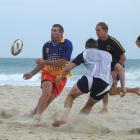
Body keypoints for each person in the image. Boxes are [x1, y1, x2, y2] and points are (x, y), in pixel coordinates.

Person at [52, 38, 113, 127]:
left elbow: (68, 68)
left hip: (91, 78)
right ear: (97, 47)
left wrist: (61, 77)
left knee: (71, 96)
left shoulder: (86, 52)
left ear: (86, 46)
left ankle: (63, 118)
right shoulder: (108, 55)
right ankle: (75, 124)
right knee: (89, 104)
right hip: (107, 84)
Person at [83, 22, 140, 114]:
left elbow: (123, 58)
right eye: (96, 30)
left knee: (108, 89)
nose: (96, 32)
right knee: (111, 91)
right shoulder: (97, 43)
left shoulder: (113, 41)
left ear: (105, 30)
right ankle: (134, 90)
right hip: (106, 70)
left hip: (116, 68)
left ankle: (106, 108)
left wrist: (114, 71)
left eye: (98, 30)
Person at [23, 24, 73, 120]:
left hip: (61, 76)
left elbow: (63, 62)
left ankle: (33, 113)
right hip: (48, 72)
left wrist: (45, 61)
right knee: (46, 93)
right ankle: (37, 118)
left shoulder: (67, 44)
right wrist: (31, 73)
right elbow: (42, 64)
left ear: (61, 33)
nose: (52, 32)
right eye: (52, 30)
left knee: (48, 100)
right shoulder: (46, 45)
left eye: (55, 30)